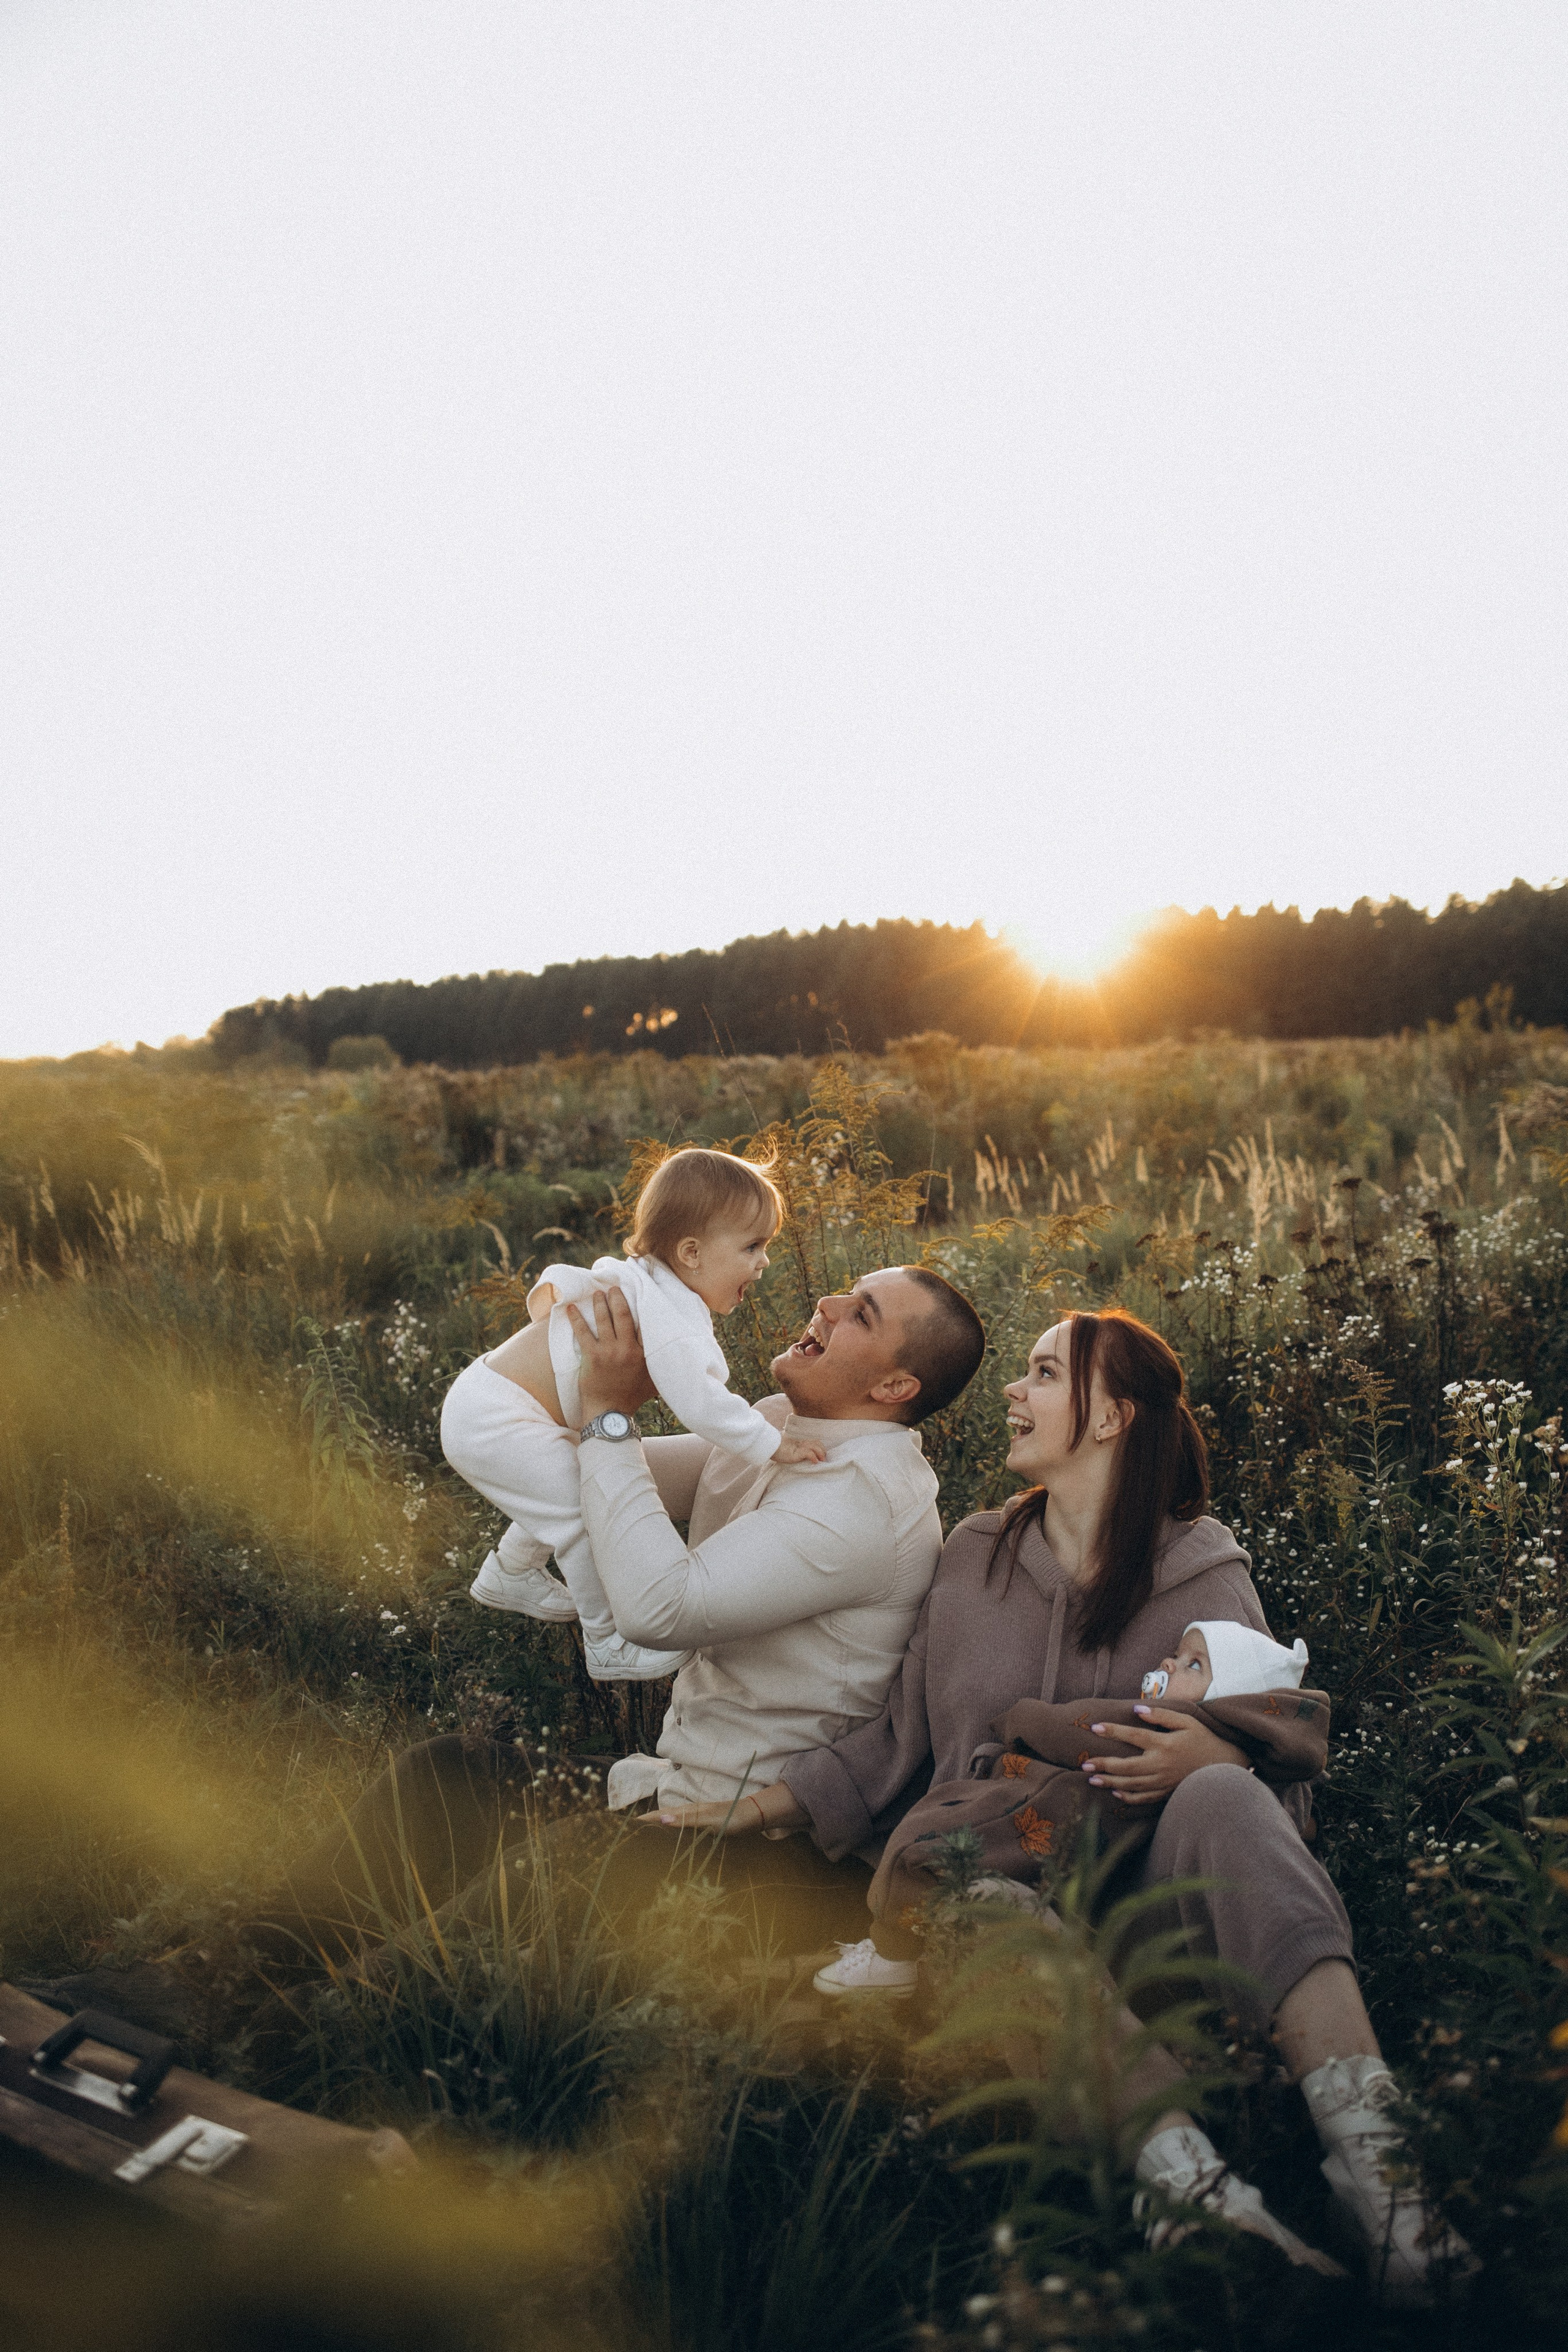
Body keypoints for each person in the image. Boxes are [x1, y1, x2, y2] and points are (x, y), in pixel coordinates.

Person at [652, 1310, 1476, 2304]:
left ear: (1112, 1417)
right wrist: (753, 1808)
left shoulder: (1195, 1560)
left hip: (1165, 1929)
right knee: (982, 1900)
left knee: (1222, 1789)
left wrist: (1227, 1742)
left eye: (1044, 1373)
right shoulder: (976, 1553)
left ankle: (1385, 2186)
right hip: (1004, 1910)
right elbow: (897, 1737)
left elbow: (1283, 1747)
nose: (1013, 1389)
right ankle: (1205, 2206)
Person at [440, 1147, 825, 1681]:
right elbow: (699, 1401)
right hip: (498, 1420)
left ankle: (510, 1570)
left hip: (488, 1403)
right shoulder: (670, 1312)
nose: (764, 1263)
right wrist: (768, 1443)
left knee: (570, 1480)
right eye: (752, 1247)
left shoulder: (648, 1285)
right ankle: (607, 1641)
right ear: (691, 1252)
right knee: (581, 1513)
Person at [865, 1621, 1330, 1930]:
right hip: (1076, 1849)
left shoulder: (1156, 1725)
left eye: (1195, 1665)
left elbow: (1078, 1726)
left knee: (937, 1842)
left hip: (1062, 1837)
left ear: (1227, 1699)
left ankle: (892, 1952)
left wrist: (1022, 1720)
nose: (1169, 1663)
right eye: (1178, 1654)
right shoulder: (975, 1549)